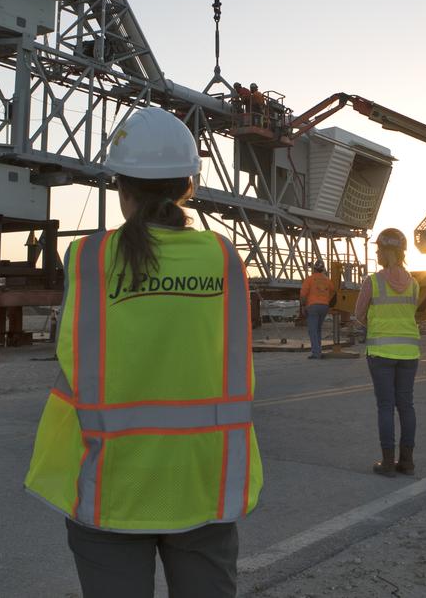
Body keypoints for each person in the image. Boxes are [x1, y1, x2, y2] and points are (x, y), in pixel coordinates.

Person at [25, 107, 262, 598]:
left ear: (121, 188)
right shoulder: (223, 257)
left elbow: (71, 357)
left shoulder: (88, 258)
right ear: (187, 187)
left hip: (112, 482)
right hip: (203, 481)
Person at [353, 228, 420, 477]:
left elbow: (359, 315)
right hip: (409, 353)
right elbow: (410, 314)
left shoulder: (373, 282)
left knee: (385, 407)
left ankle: (388, 463)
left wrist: (373, 324)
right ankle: (408, 462)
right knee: (406, 406)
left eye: (379, 249)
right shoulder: (414, 284)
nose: (377, 253)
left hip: (381, 352)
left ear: (386, 251)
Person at [300, 260, 335, 359]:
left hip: (313, 306)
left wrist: (303, 306)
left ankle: (316, 353)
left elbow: (303, 295)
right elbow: (333, 290)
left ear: (314, 269)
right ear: (323, 269)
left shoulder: (309, 279)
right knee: (318, 329)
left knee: (313, 330)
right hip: (324, 306)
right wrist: (327, 300)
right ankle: (318, 350)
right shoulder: (327, 280)